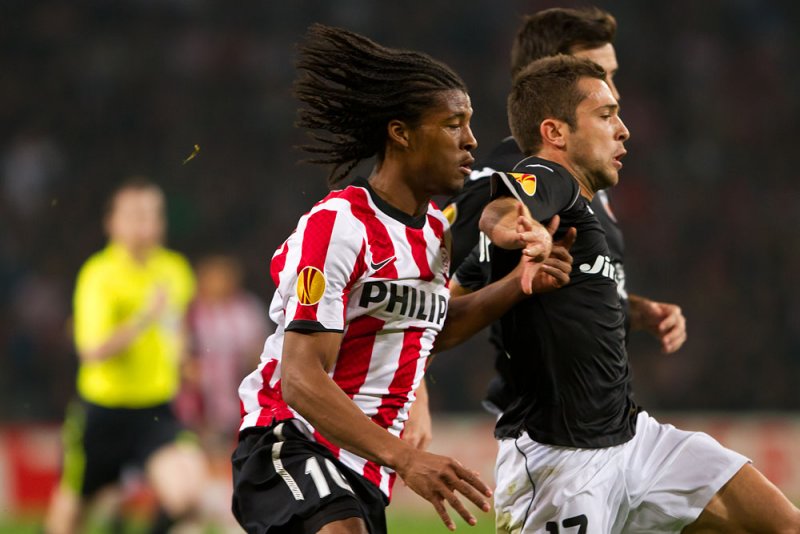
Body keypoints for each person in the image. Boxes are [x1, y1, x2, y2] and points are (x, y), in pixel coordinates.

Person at [230, 23, 557, 534]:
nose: (471, 139)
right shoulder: (338, 225)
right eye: (454, 124)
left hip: (364, 464)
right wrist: (406, 458)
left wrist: (518, 283)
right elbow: (299, 378)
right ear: (400, 132)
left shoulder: (434, 232)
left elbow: (431, 330)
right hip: (292, 442)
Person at [481, 54, 800, 533]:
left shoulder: (595, 221)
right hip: (560, 466)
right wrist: (523, 233)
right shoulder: (550, 179)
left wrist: (638, 311)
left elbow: (579, 305)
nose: (623, 129)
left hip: (635, 439)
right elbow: (500, 210)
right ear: (556, 132)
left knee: (781, 524)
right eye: (606, 116)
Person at [441, 6, 686, 417]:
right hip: (544, 427)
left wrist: (632, 308)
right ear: (553, 74)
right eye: (600, 74)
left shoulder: (578, 175)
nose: (615, 93)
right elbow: (430, 294)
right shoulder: (501, 177)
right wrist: (415, 398)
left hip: (597, 419)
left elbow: (571, 279)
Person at [45, 179, 208, 534]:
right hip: (103, 412)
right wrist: (142, 318)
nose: (145, 223)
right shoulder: (99, 275)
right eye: (135, 215)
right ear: (112, 223)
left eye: (152, 214)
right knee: (69, 512)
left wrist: (184, 361)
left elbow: (176, 328)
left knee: (187, 496)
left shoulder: (175, 270)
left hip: (154, 412)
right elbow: (91, 350)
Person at [179, 254, 271, 449]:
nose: (219, 283)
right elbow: (178, 351)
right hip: (198, 403)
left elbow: (260, 350)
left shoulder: (246, 308)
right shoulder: (189, 310)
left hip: (236, 397)